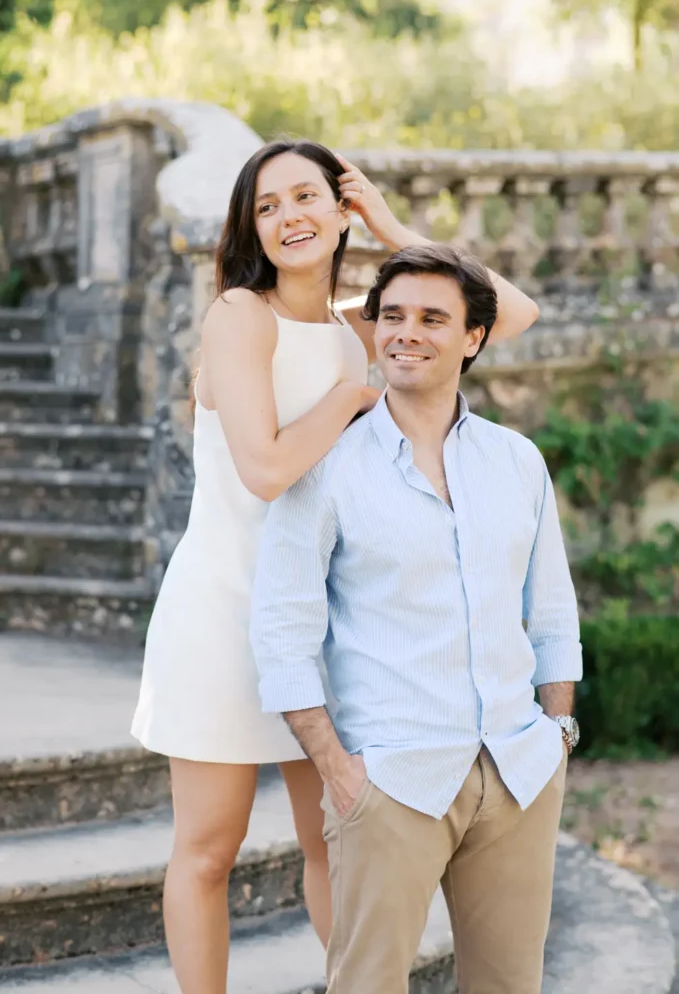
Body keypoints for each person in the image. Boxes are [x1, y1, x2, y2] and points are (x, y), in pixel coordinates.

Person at [131, 137, 540, 994]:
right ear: (250, 227)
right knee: (208, 850)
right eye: (266, 206)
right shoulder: (240, 316)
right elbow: (266, 469)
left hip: (319, 626)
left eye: (305, 196)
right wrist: (353, 394)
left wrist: (392, 228)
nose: (288, 217)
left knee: (332, 844)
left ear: (339, 207)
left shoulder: (360, 324)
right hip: (222, 614)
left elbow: (509, 314)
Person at [251, 243, 582, 994]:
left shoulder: (517, 461)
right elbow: (282, 629)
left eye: (432, 318)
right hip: (391, 779)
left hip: (518, 771)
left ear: (473, 338)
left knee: (510, 986)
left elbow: (551, 609)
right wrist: (337, 769)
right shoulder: (326, 464)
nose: (406, 332)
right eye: (392, 316)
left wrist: (557, 731)